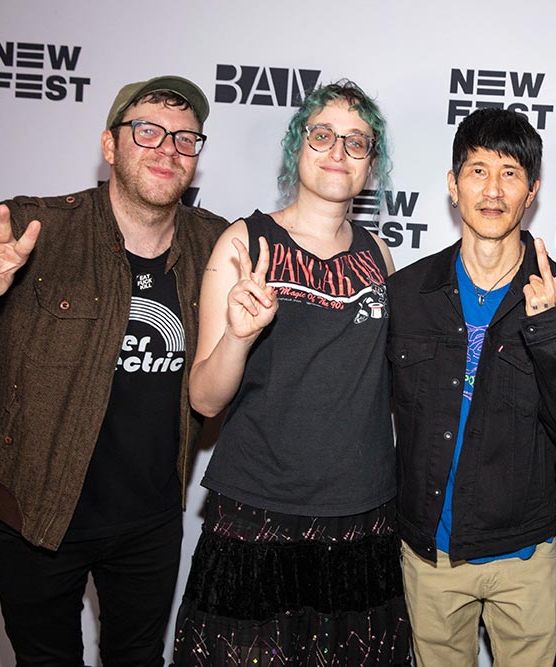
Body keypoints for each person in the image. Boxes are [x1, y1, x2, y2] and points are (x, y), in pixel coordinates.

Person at [0, 75, 225, 665]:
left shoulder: (216, 244)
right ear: (110, 146)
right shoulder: (38, 228)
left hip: (150, 521)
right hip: (34, 514)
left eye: (185, 139)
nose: (168, 149)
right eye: (148, 131)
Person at [172, 80, 411, 667]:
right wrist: (238, 335)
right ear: (296, 147)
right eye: (322, 135)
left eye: (357, 142)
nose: (338, 151)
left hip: (361, 513)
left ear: (371, 164)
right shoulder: (245, 242)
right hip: (262, 511)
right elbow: (204, 400)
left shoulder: (380, 255)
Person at [388, 108, 556, 666]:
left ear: (532, 191)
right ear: (452, 185)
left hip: (523, 557)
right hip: (429, 554)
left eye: (510, 173)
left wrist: (551, 329)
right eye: (477, 170)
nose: (492, 189)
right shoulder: (408, 293)